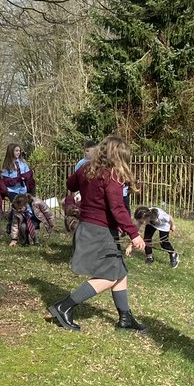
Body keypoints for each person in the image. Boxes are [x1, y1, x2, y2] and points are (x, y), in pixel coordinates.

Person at [48, 135, 147, 333]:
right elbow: (118, 208)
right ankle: (64, 306)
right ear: (118, 156)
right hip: (98, 232)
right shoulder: (112, 176)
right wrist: (134, 234)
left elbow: (70, 184)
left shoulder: (87, 169)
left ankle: (125, 318)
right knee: (110, 275)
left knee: (119, 270)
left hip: (89, 228)